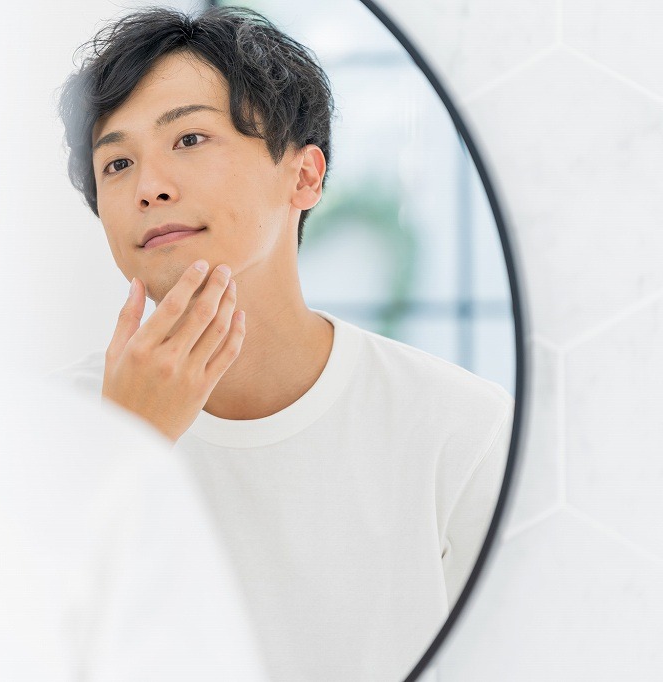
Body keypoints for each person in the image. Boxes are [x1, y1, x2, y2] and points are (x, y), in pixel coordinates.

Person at [50, 5, 513, 682]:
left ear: (304, 176)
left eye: (189, 139)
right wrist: (126, 446)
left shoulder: (458, 427)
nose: (149, 188)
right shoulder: (46, 428)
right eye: (116, 162)